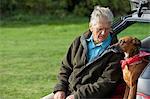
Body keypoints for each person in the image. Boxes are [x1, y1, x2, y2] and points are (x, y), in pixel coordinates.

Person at [42, 5, 124, 99]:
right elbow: (65, 67)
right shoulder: (79, 42)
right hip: (68, 90)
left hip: (90, 96)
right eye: (100, 29)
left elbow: (106, 83)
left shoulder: (116, 51)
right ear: (91, 27)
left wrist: (77, 96)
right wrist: (60, 89)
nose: (103, 33)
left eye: (107, 29)